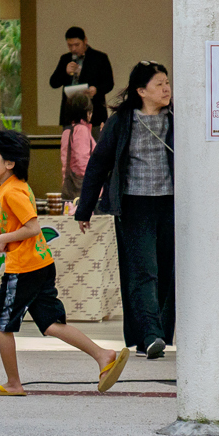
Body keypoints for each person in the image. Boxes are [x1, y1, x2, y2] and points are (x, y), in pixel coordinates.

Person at [0, 128, 130, 395]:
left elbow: (33, 228)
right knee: (51, 324)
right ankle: (103, 355)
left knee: (3, 325)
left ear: (10, 162)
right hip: (40, 265)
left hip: (23, 269)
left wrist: (5, 239)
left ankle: (13, 383)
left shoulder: (11, 192)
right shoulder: (14, 187)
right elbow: (17, 222)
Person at [75, 62, 177, 359]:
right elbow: (98, 164)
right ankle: (151, 333)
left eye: (167, 82)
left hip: (170, 204)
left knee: (165, 269)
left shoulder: (178, 119)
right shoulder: (122, 121)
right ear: (141, 91)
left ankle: (152, 334)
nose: (166, 88)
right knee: (143, 271)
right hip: (134, 205)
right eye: (159, 84)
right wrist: (85, 209)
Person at [49, 28, 113, 134]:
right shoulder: (65, 59)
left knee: (95, 143)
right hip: (70, 115)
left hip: (94, 114)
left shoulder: (99, 58)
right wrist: (65, 72)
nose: (73, 49)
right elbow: (53, 83)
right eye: (70, 45)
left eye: (77, 45)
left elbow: (109, 83)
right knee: (71, 143)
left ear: (85, 41)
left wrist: (96, 90)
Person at [59, 91, 97, 212]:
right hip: (84, 185)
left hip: (69, 184)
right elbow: (82, 161)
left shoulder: (67, 131)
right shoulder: (82, 130)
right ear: (85, 112)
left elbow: (65, 160)